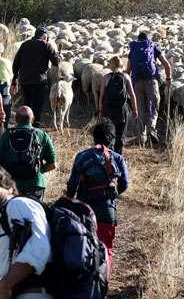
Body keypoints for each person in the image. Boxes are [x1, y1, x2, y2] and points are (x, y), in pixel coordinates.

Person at [0, 165, 52, 299]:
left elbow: (38, 248)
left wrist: (5, 286)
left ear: (9, 188)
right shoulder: (8, 213)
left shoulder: (17, 205)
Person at [66, 119, 130, 278]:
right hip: (107, 210)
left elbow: (72, 185)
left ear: (94, 138)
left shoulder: (82, 157)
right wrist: (112, 195)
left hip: (84, 210)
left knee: (83, 246)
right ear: (112, 139)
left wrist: (70, 201)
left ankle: (85, 282)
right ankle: (103, 283)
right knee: (106, 247)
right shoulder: (117, 158)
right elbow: (124, 184)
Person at [0, 106, 57, 202]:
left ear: (16, 119)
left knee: (14, 215)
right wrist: (39, 170)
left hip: (12, 185)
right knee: (34, 215)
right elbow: (53, 165)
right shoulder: (42, 135)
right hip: (36, 183)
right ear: (32, 119)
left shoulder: (7, 135)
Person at [127, 32, 172, 144]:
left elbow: (128, 70)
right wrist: (168, 78)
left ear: (138, 39)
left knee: (140, 108)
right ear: (148, 39)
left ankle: (141, 136)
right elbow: (166, 64)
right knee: (154, 106)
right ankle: (151, 130)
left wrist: (128, 85)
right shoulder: (152, 47)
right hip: (152, 81)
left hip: (137, 82)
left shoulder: (133, 49)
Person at [11, 27, 60, 126]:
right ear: (45, 36)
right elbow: (56, 62)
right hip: (39, 82)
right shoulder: (46, 45)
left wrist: (14, 81)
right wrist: (58, 56)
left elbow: (16, 63)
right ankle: (36, 127)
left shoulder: (24, 44)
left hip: (25, 81)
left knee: (27, 105)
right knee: (37, 106)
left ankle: (25, 126)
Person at [98, 56, 138, 154]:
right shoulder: (126, 77)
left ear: (110, 65)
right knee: (120, 137)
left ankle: (108, 158)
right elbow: (132, 95)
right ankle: (118, 157)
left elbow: (101, 95)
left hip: (107, 110)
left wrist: (100, 110)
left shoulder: (106, 77)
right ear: (121, 65)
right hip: (122, 111)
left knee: (108, 134)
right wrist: (135, 109)